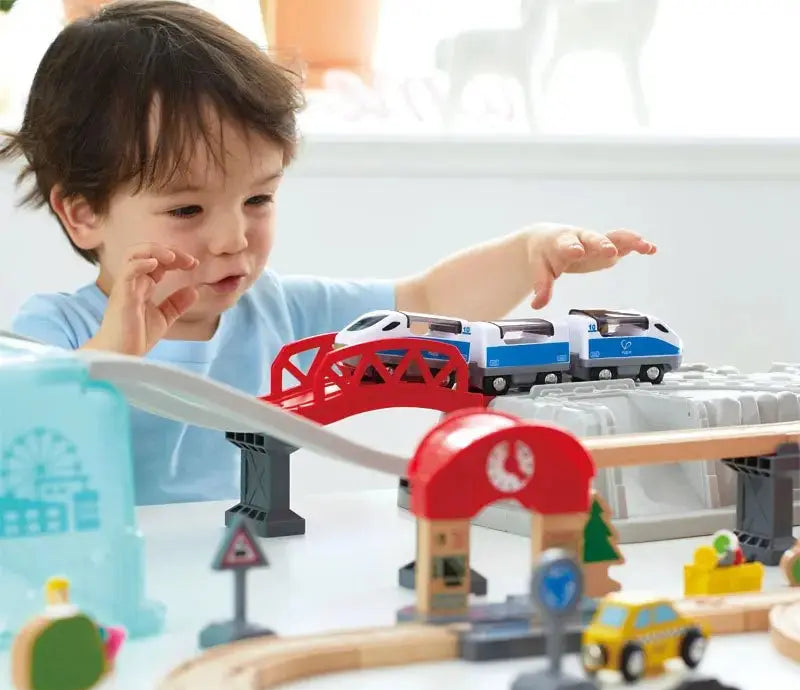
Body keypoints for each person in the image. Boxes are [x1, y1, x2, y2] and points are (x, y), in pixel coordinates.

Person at [0, 0, 657, 505]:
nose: (233, 238)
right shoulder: (55, 331)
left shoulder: (277, 310)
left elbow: (424, 302)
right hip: (114, 582)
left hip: (254, 562)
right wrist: (114, 352)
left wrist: (527, 251)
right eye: (187, 210)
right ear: (82, 213)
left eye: (258, 199)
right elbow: (31, 438)